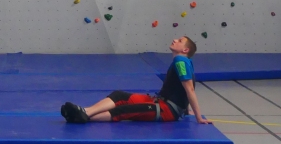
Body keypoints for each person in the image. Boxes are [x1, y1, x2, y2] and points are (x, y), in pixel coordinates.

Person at [60, 36, 211, 125]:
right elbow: (183, 87)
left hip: (167, 110)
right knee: (119, 95)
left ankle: (82, 117)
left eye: (179, 41)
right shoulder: (184, 62)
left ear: (185, 50)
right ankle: (86, 111)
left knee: (124, 110)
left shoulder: (180, 61)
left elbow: (189, 89)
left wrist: (198, 117)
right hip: (161, 101)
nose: (175, 40)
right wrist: (185, 109)